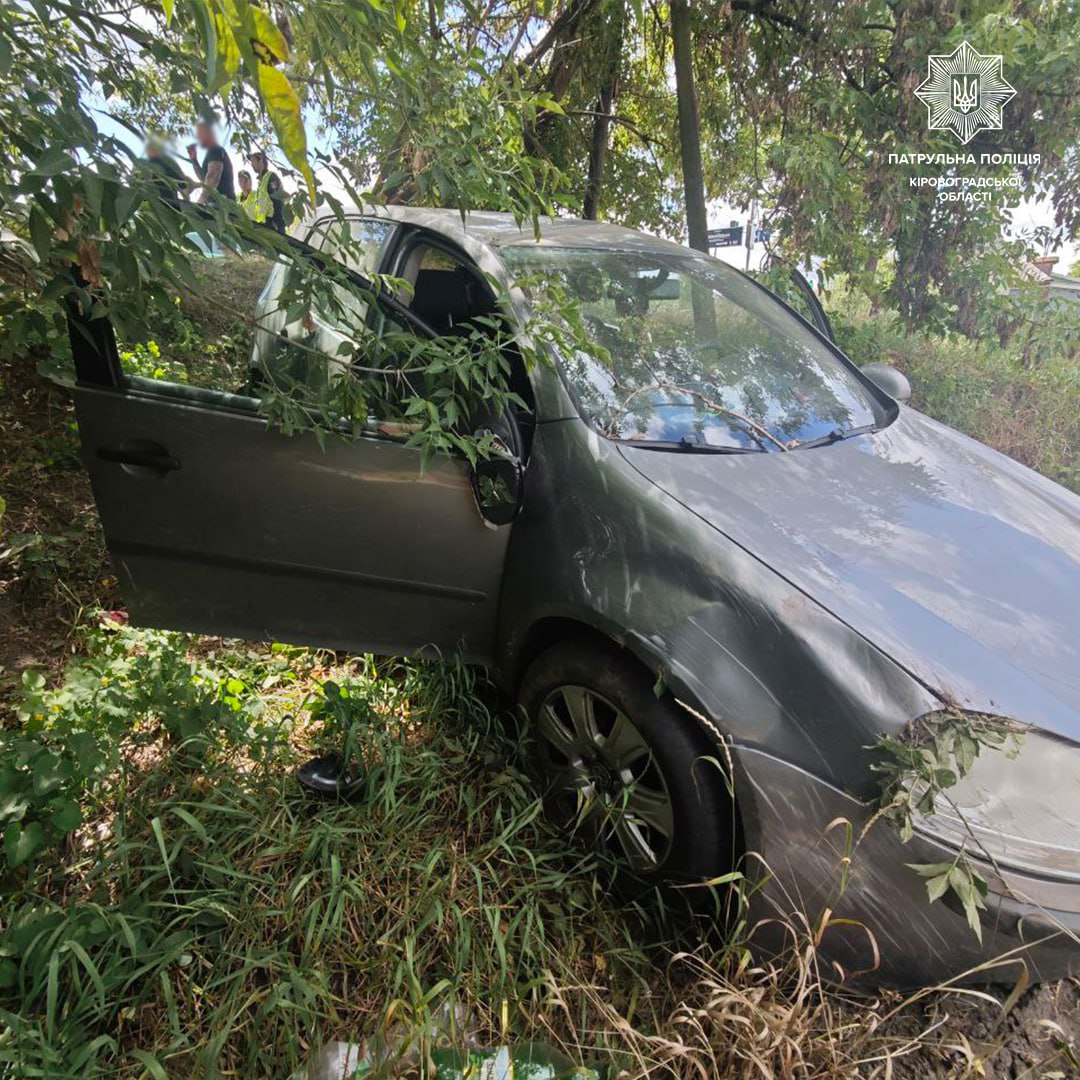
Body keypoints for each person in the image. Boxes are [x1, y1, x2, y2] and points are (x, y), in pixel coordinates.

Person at [186, 120, 235, 203]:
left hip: (222, 204)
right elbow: (205, 179)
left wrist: (200, 201)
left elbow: (213, 177)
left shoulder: (215, 150)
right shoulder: (212, 153)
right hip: (216, 203)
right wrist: (194, 160)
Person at [248, 150, 286, 232]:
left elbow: (277, 201)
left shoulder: (271, 177)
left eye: (253, 161)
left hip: (273, 225)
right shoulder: (261, 182)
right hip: (265, 224)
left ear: (261, 161)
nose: (251, 164)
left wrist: (275, 224)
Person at [140, 137, 187, 204]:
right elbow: (182, 184)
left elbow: (182, 184)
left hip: (166, 201)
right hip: (154, 201)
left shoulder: (163, 165)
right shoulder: (144, 164)